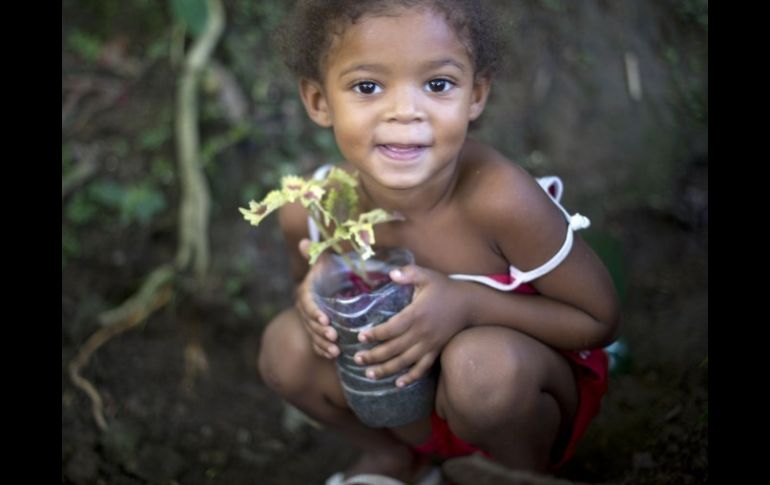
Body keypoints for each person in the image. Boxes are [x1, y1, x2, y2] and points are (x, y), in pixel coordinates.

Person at [257, 1, 621, 483]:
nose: (405, 111)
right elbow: (306, 292)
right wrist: (315, 293)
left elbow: (599, 320)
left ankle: (515, 475)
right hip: (407, 407)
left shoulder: (500, 201)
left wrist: (468, 304)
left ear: (476, 94)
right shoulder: (314, 210)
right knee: (284, 346)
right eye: (368, 87)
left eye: (438, 84)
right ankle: (397, 459)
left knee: (479, 367)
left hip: (511, 399)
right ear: (319, 101)